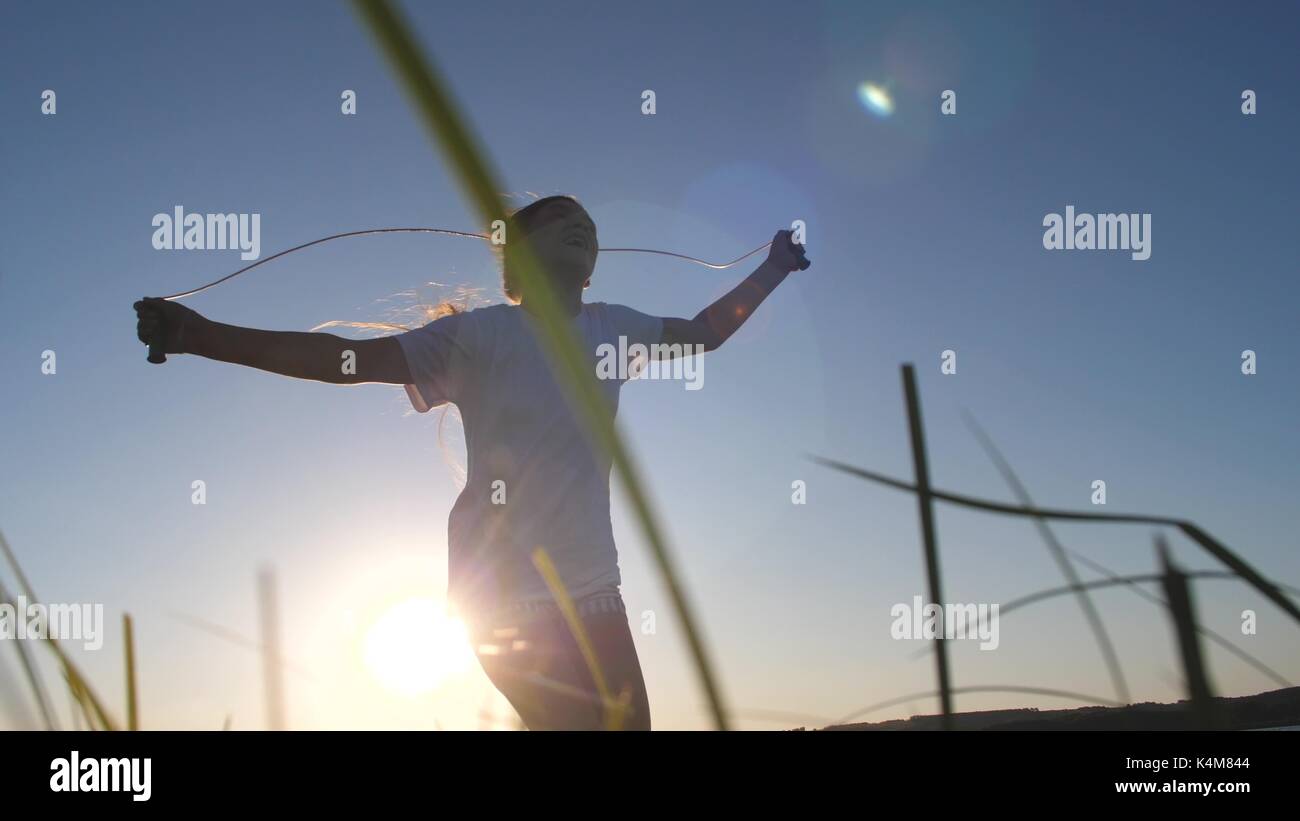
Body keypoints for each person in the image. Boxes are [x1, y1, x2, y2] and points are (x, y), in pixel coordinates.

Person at [134, 195, 808, 729]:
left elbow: (708, 333)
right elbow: (342, 362)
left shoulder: (616, 328)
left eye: (588, 224)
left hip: (594, 587)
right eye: (557, 218)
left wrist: (774, 267)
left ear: (595, 264)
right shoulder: (478, 335)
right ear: (515, 257)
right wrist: (199, 334)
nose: (580, 223)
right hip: (498, 595)